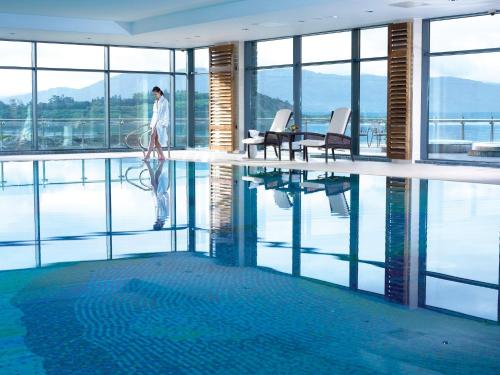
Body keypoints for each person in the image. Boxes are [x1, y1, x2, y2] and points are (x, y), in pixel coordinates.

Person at [144, 86, 169, 160]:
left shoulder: (165, 101)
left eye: (155, 94)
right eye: (153, 94)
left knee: (152, 136)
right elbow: (154, 114)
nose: (154, 96)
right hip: (154, 122)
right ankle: (162, 156)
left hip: (160, 123)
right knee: (156, 141)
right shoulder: (155, 102)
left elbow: (166, 113)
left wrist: (164, 124)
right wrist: (152, 124)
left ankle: (148, 155)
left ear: (159, 92)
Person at [145, 160, 170, 231]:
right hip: (160, 196)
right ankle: (158, 162)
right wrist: (163, 196)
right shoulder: (164, 217)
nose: (156, 222)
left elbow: (158, 207)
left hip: (159, 197)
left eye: (155, 223)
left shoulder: (160, 218)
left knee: (154, 180)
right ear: (160, 225)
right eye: (156, 224)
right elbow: (166, 206)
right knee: (154, 179)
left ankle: (157, 162)